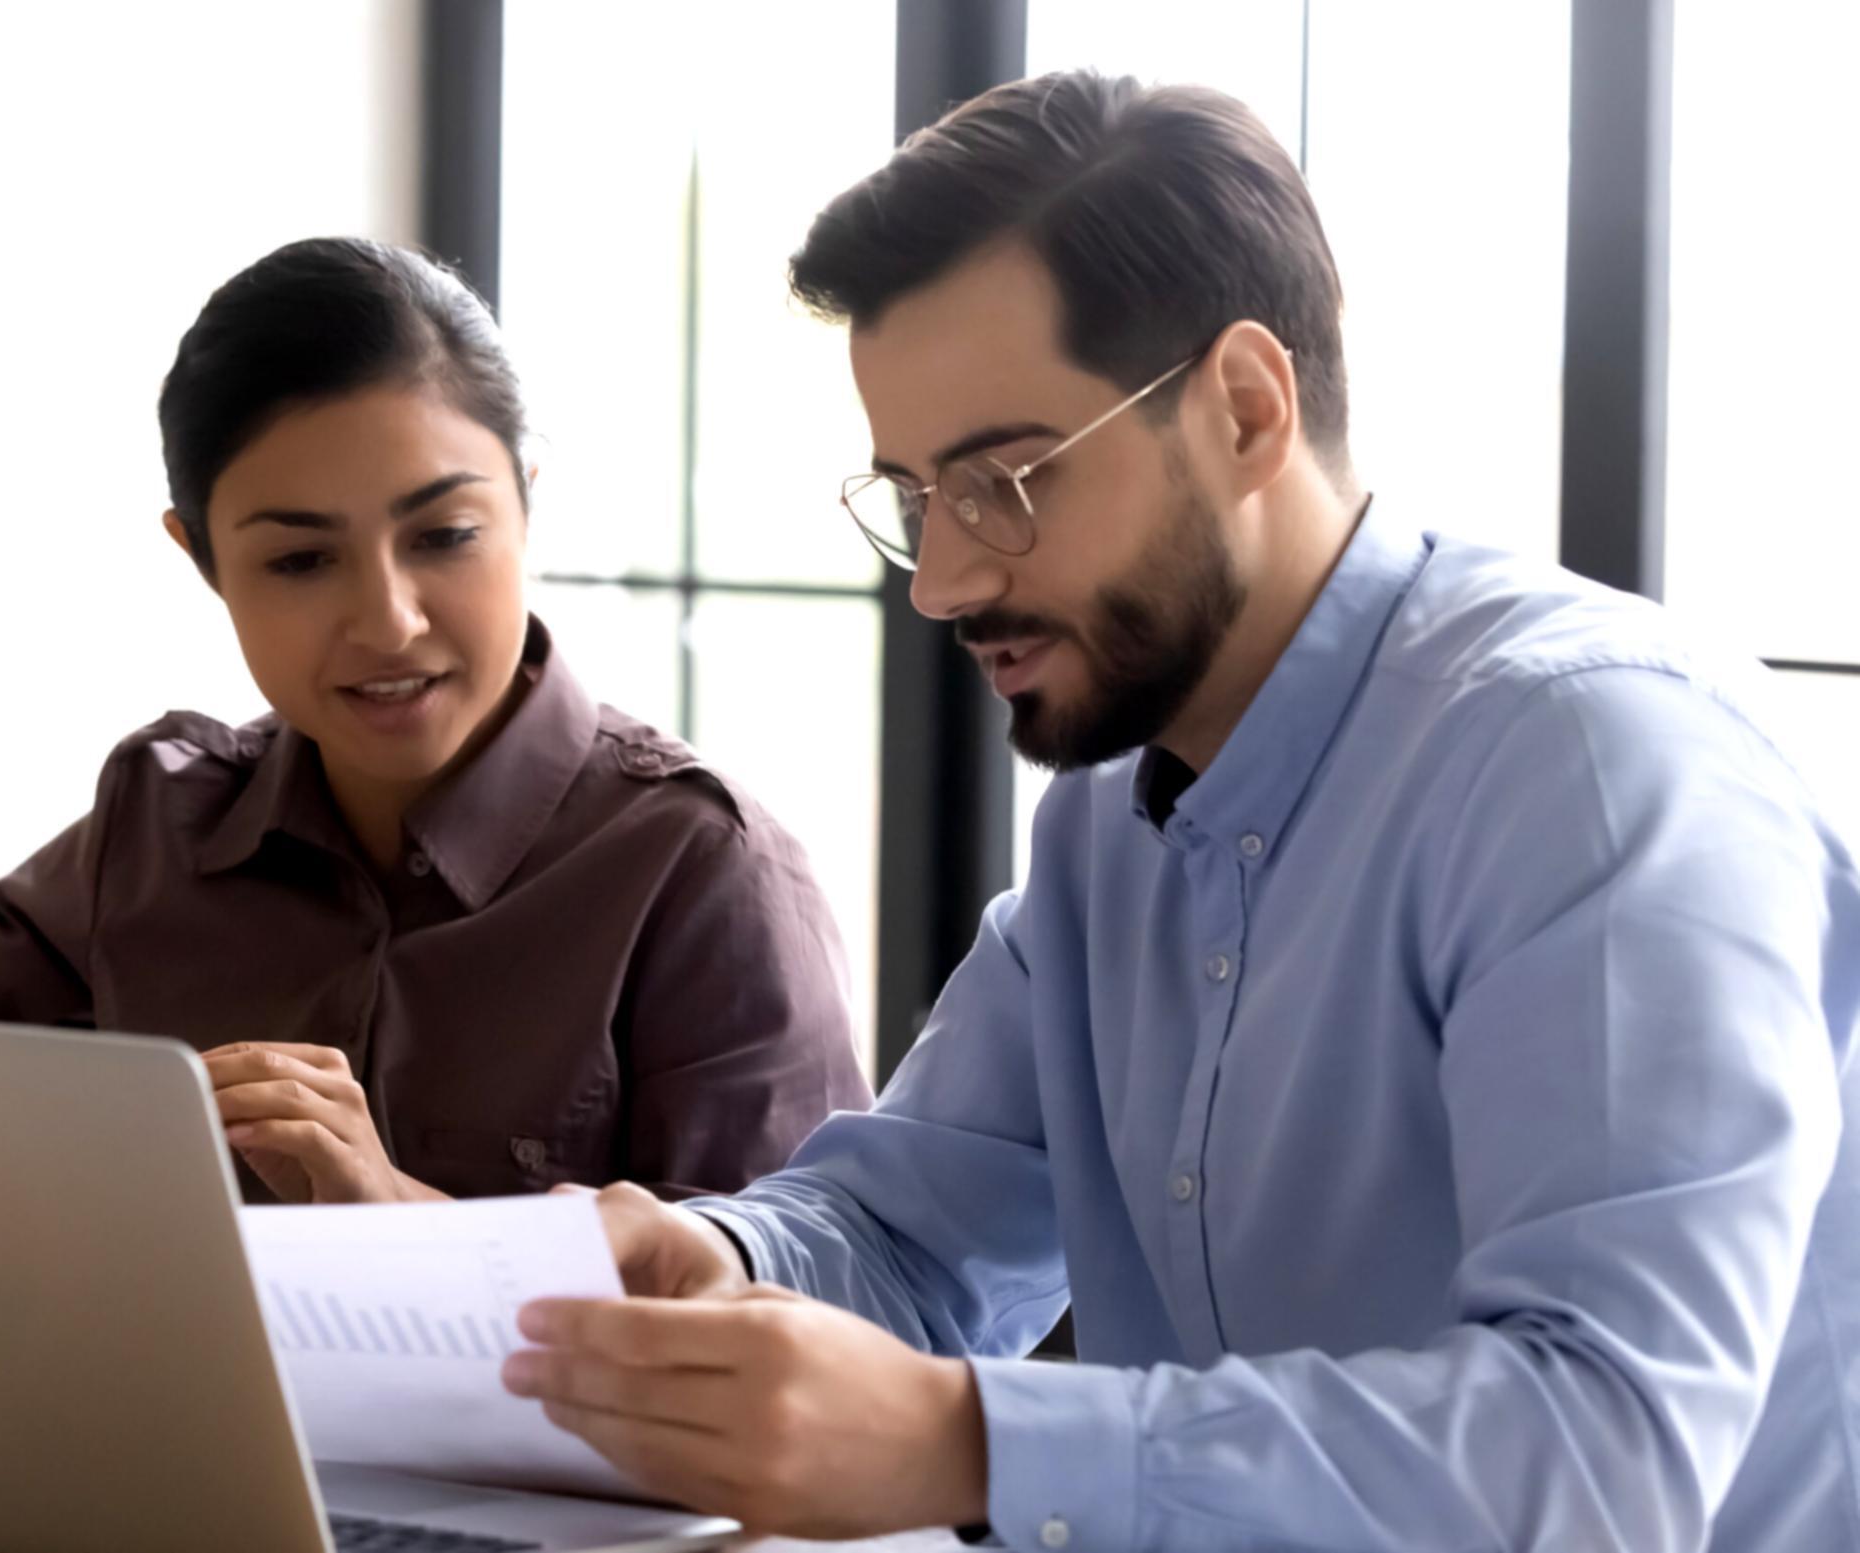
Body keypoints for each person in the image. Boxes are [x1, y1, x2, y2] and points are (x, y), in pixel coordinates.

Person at [499, 71, 1860, 1552]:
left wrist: (967, 1443)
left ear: (1243, 409)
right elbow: (912, 1229)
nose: (942, 581)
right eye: (911, 497)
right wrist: (698, 1257)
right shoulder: (1109, 809)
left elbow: (1601, 1450)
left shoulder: (1588, 765)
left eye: (1004, 480)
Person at [0, 237, 869, 1204]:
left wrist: (398, 1218)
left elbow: (775, 1337)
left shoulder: (700, 870)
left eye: (445, 535)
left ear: (525, 503)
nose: (388, 620)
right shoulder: (158, 825)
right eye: (299, 560)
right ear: (203, 560)